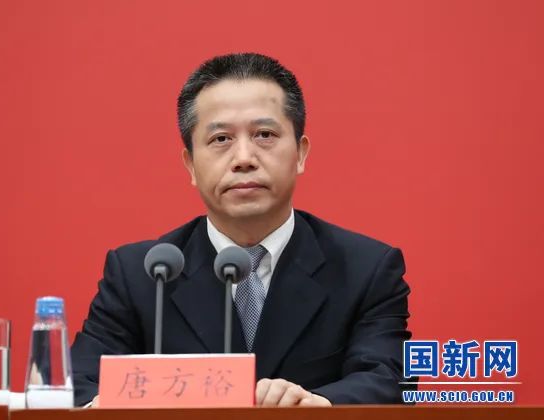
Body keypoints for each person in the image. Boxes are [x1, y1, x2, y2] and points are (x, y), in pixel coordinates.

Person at [70, 52, 415, 407]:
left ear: (300, 153)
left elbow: (389, 380)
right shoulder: (141, 275)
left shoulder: (366, 269)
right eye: (221, 139)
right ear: (190, 165)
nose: (244, 158)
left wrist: (317, 405)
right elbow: (78, 384)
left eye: (264, 134)